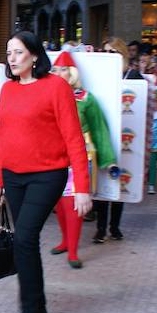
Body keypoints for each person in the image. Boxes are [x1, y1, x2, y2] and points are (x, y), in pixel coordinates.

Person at [0, 31, 91, 313]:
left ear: (35, 56)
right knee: (27, 240)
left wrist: (83, 187)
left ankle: (30, 309)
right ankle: (39, 303)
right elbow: (4, 137)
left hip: (48, 174)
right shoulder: (7, 90)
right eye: (9, 52)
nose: (12, 58)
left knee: (23, 236)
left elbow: (74, 137)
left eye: (18, 52)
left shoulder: (56, 87)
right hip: (13, 174)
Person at [49, 51, 117, 268]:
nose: (57, 73)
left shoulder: (86, 99)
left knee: (73, 204)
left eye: (62, 69)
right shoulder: (47, 95)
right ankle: (65, 241)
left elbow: (99, 130)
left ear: (72, 73)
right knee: (58, 204)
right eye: (54, 69)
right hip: (53, 157)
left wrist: (109, 160)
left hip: (79, 158)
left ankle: (74, 251)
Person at [94, 36, 145, 241]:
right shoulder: (99, 77)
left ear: (121, 54)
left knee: (120, 180)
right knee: (102, 180)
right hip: (104, 136)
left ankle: (114, 226)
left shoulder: (133, 76)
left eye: (112, 52)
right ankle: (100, 227)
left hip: (126, 135)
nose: (108, 56)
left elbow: (140, 106)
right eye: (105, 52)